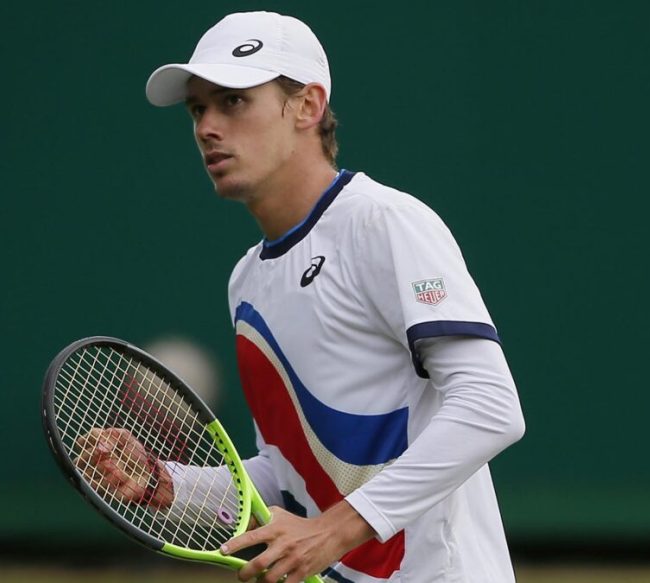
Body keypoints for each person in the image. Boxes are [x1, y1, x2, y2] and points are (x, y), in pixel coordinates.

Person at [141, 11, 526, 583]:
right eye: (199, 109)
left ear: (307, 106)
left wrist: (335, 529)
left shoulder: (385, 224)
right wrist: (165, 484)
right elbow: (285, 474)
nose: (207, 127)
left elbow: (490, 408)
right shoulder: (247, 281)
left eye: (234, 102)